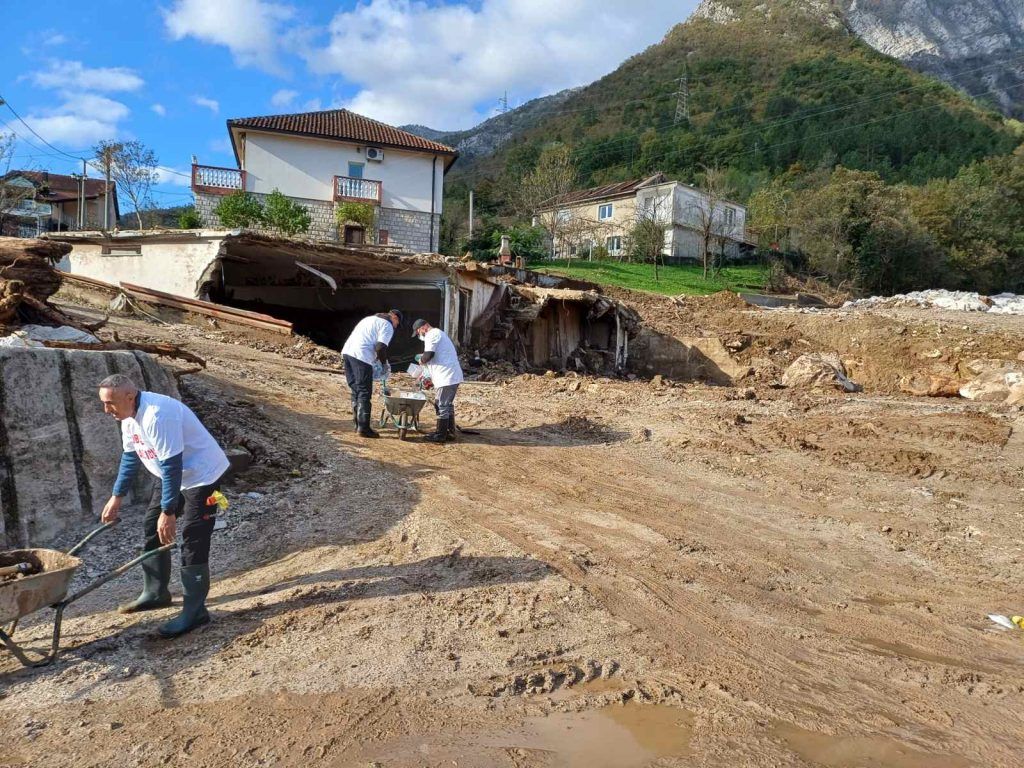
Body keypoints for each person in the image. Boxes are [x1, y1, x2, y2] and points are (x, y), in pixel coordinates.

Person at [98, 374, 229, 639]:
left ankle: (195, 611)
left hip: (203, 475)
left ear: (129, 396)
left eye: (110, 403)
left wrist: (168, 512)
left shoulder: (157, 415)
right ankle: (155, 592)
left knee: (193, 535)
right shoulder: (128, 418)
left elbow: (172, 466)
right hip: (171, 476)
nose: (106, 409)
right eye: (104, 403)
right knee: (151, 526)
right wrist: (116, 497)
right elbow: (130, 457)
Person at [341, 309, 402, 439]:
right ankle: (364, 428)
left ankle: (357, 425)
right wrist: (384, 363)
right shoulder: (387, 325)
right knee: (364, 391)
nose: (396, 327)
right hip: (362, 356)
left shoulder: (368, 319)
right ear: (395, 318)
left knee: (356, 389)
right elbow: (380, 347)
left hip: (347, 352)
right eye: (397, 324)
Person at [411, 319, 463, 444]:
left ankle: (440, 434)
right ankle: (449, 432)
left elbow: (428, 355)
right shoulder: (439, 333)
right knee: (447, 404)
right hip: (451, 375)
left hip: (446, 376)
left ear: (423, 328)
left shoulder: (432, 334)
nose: (419, 336)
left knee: (441, 404)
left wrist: (421, 360)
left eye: (418, 332)